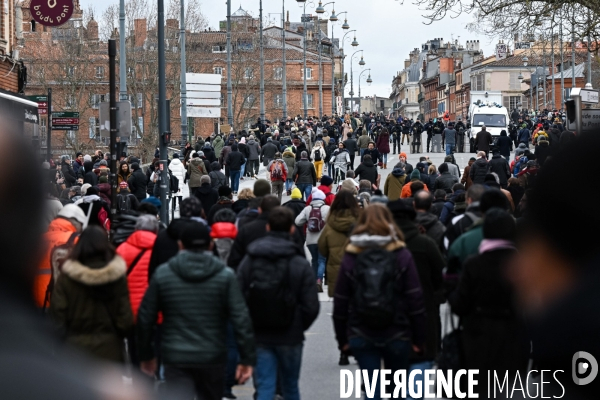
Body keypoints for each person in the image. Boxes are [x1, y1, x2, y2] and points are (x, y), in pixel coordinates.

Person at [137, 222, 255, 399]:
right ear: (210, 245)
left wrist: (147, 354)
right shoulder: (225, 276)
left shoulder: (164, 274)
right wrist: (246, 358)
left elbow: (146, 317)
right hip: (212, 355)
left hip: (176, 355)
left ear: (180, 245)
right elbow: (241, 318)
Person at [332, 204, 426, 399]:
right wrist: (419, 338)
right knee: (397, 389)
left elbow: (341, 302)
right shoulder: (401, 254)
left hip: (361, 330)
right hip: (397, 330)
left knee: (372, 388)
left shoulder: (352, 255)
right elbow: (415, 298)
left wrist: (343, 339)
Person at [237, 207, 319, 400]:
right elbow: (311, 305)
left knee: (265, 386)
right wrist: (298, 324)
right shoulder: (298, 263)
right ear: (291, 229)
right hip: (290, 334)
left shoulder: (251, 259)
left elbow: (238, 296)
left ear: (267, 227)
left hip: (260, 333)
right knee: (290, 387)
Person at [449, 209, 529, 395]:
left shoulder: (474, 264)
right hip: (513, 336)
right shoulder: (522, 265)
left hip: (478, 336)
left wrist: (451, 292)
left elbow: (460, 305)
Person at [50, 226, 133, 362]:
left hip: (74, 352)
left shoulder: (67, 278)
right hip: (109, 352)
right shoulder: (116, 278)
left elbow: (57, 318)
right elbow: (125, 320)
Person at [387, 199, 445, 389]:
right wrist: (435, 298)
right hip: (423, 314)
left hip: (389, 320)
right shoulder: (426, 244)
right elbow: (441, 277)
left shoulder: (382, 246)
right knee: (417, 377)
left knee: (394, 379)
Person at [318, 190, 361, 300]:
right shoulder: (361, 224)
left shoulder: (330, 225)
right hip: (358, 270)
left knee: (340, 307)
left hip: (336, 272)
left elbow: (322, 249)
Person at [295, 189, 330, 292]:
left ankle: (314, 283)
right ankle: (319, 280)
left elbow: (297, 221)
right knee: (322, 260)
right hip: (323, 239)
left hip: (310, 240)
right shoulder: (327, 208)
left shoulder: (307, 209)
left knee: (314, 261)